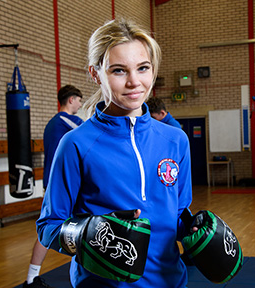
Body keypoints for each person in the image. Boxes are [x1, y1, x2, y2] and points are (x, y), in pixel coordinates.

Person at [36, 18, 193, 288]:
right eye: (119, 71)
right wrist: (89, 235)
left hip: (171, 282)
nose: (134, 82)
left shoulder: (175, 140)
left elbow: (177, 214)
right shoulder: (76, 144)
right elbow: (48, 226)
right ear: (96, 73)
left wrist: (196, 231)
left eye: (142, 68)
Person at [23, 85, 84, 288]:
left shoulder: (51, 124)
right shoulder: (67, 120)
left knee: (50, 226)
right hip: (61, 183)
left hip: (52, 181)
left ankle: (32, 276)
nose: (80, 104)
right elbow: (95, 129)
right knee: (53, 228)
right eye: (79, 100)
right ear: (71, 100)